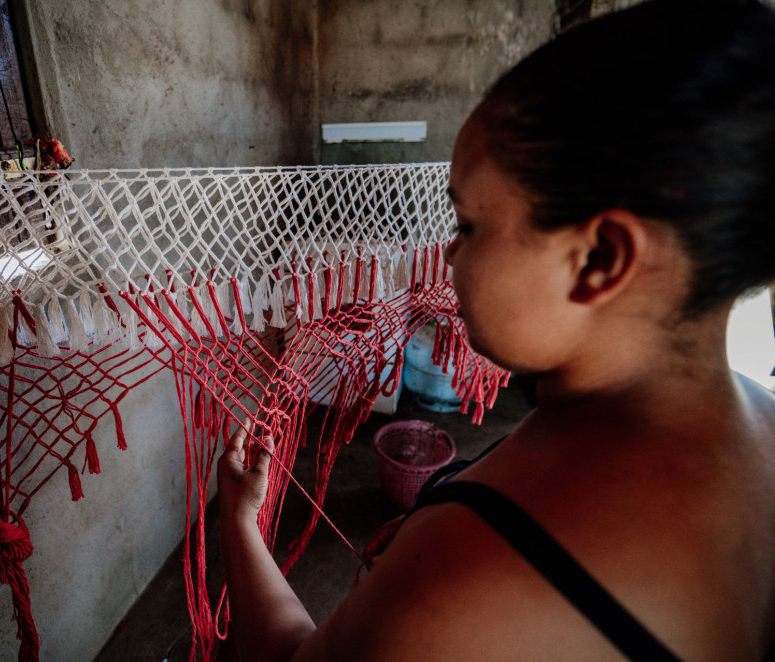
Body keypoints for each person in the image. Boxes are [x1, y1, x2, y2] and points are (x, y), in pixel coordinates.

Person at [217, 0, 775, 659]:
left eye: (467, 225)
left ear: (598, 260)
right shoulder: (762, 427)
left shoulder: (469, 581)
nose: (449, 256)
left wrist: (237, 522)